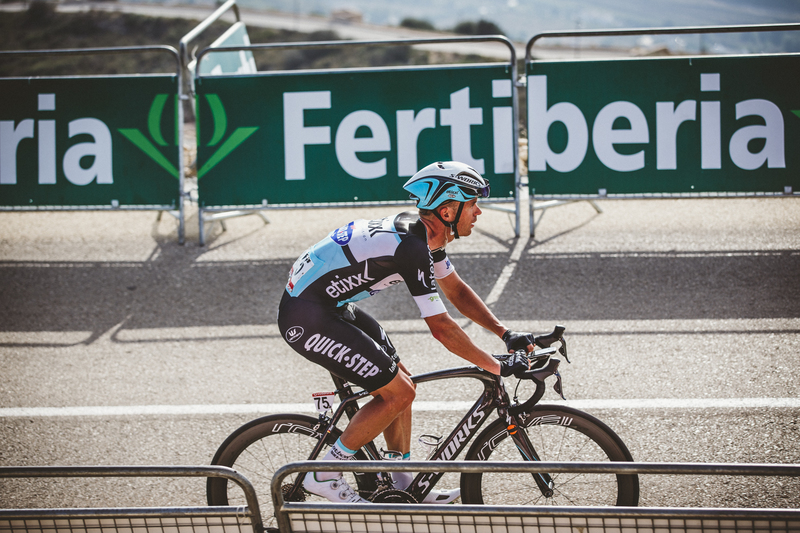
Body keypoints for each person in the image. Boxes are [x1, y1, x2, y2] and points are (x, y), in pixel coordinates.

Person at [277, 161, 535, 504]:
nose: (479, 213)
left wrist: (505, 333)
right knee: (398, 393)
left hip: (329, 306)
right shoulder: (411, 248)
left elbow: (456, 291)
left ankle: (402, 482)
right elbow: (441, 328)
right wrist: (496, 366)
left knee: (401, 381)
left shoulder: (426, 236)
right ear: (447, 210)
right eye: (473, 204)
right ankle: (323, 474)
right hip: (306, 316)